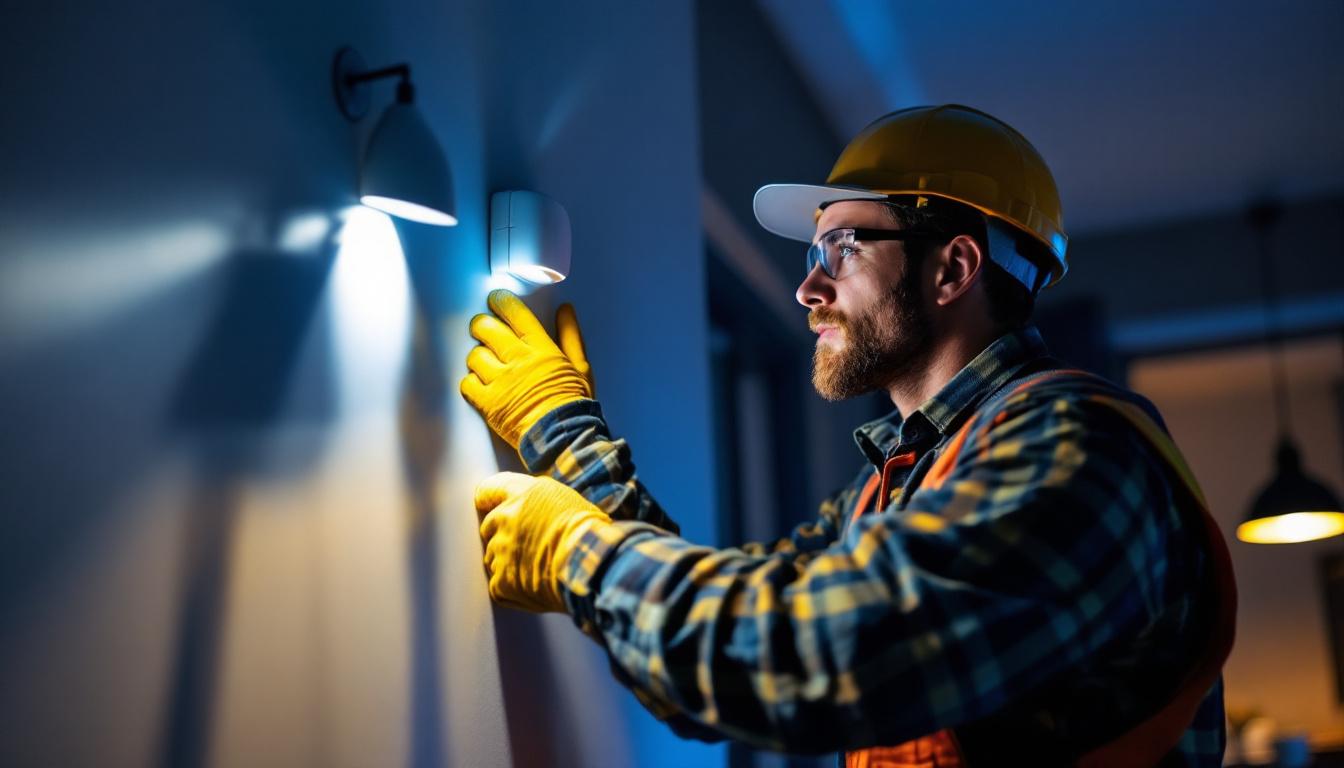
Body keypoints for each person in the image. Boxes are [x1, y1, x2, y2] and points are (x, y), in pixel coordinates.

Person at [460, 104, 1235, 767]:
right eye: (814, 253)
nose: (808, 287)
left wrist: (576, 554)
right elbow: (740, 621)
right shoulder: (900, 479)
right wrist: (566, 432)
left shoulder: (1077, 453)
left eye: (844, 248)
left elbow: (809, 658)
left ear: (952, 268)